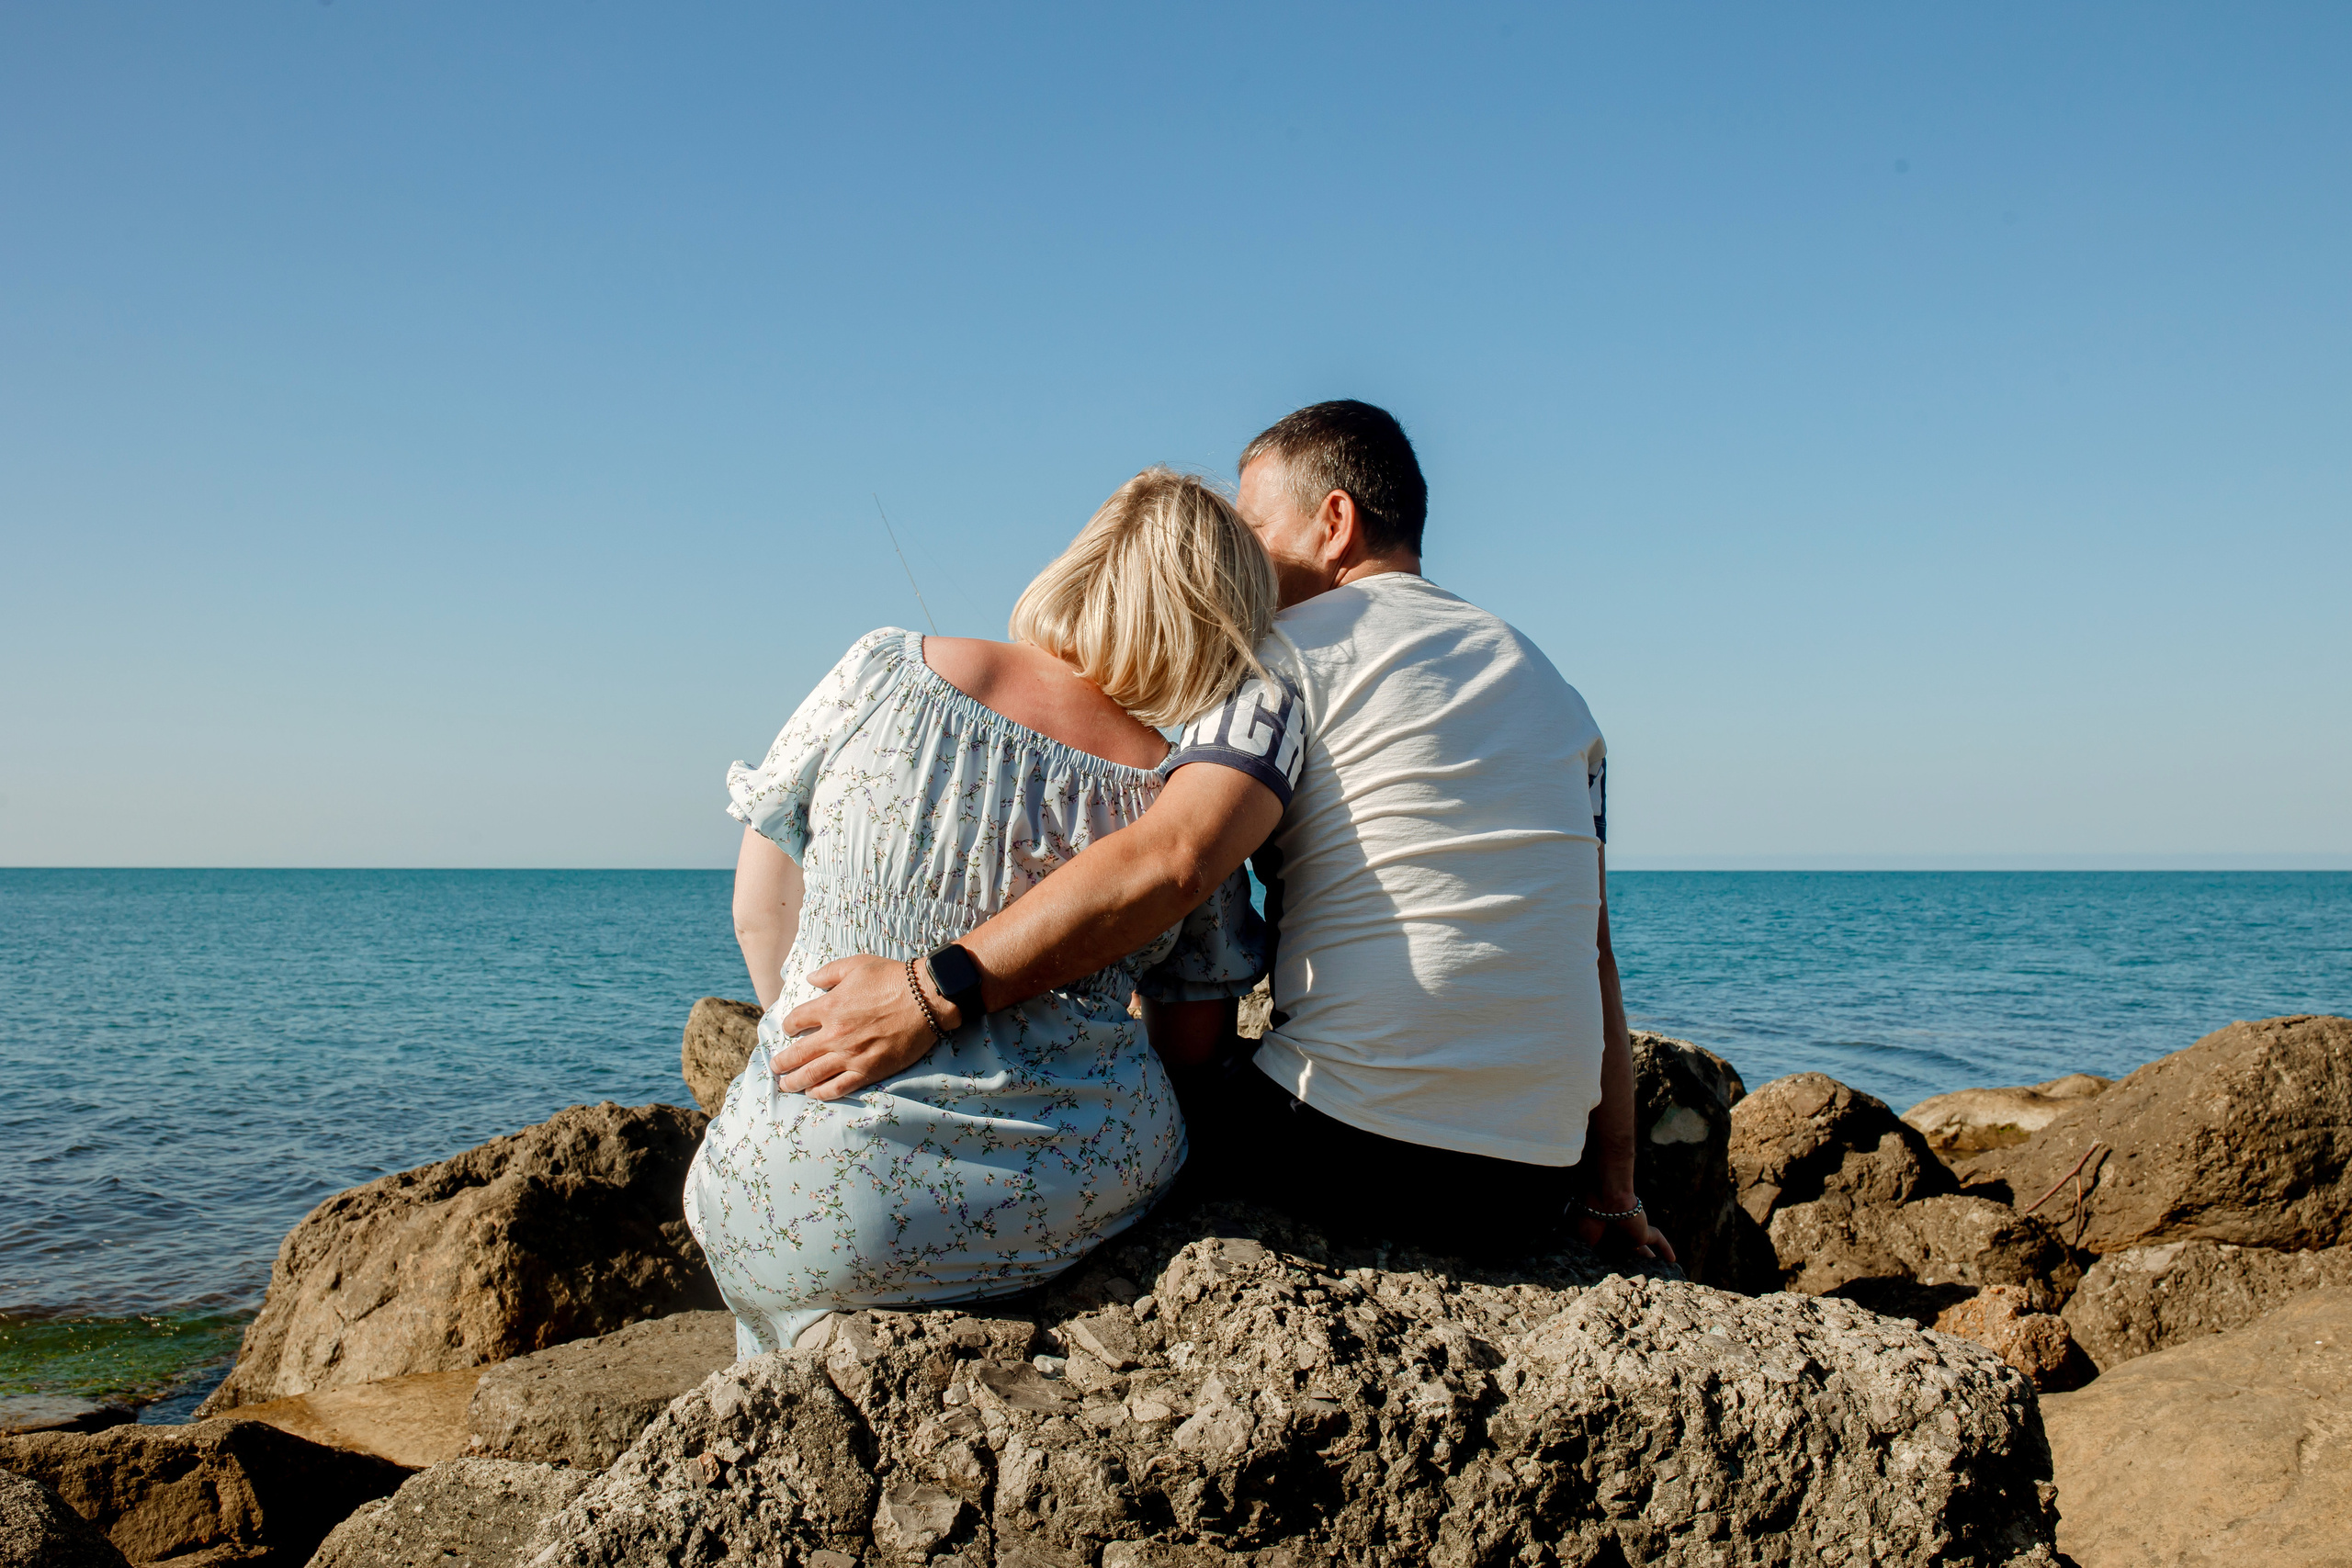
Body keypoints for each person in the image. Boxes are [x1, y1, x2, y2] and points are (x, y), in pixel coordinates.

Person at [772, 400, 1675, 1264]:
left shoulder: (1276, 661)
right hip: (1526, 1189)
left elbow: (1172, 857)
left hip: (1344, 1152)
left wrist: (935, 990)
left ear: (1334, 521)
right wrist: (1613, 1190)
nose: (1235, 556)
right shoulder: (1556, 695)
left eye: (1250, 525)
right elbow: (1593, 954)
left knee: (1137, 1075)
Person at [687, 467, 1291, 1357]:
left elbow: (757, 902)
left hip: (764, 1181)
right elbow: (1190, 1044)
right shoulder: (1173, 795)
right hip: (1022, 1201)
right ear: (1218, 624)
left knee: (774, 1310)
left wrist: (804, 1034)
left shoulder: (883, 668)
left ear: (1078, 568)